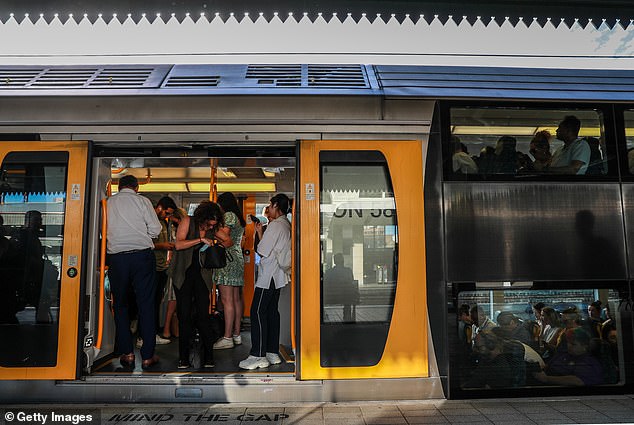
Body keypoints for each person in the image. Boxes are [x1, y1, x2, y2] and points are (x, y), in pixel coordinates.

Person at [106, 175, 162, 369]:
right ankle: (147, 356)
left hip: (117, 258)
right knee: (146, 304)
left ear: (119, 187)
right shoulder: (142, 201)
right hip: (142, 257)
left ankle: (127, 354)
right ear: (136, 187)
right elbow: (155, 229)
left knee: (120, 305)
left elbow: (101, 230)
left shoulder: (108, 203)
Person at [172, 200, 230, 369]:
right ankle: (183, 358)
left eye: (214, 222)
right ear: (202, 217)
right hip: (182, 274)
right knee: (184, 315)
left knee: (204, 316)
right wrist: (200, 240)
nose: (211, 225)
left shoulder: (213, 229)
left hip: (202, 276)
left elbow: (228, 241)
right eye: (209, 222)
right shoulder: (187, 221)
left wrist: (217, 243)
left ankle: (209, 357)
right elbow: (179, 244)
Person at [239, 194, 292, 370]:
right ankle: (271, 351)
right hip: (278, 276)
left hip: (268, 276)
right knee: (271, 312)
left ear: (276, 205)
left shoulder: (276, 225)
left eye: (270, 205)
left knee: (257, 312)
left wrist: (259, 234)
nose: (268, 208)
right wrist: (261, 231)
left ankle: (258, 355)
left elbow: (262, 250)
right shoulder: (285, 223)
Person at [136, 196, 177, 348]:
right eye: (167, 213)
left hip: (161, 266)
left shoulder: (163, 223)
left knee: (155, 303)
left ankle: (151, 334)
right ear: (159, 208)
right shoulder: (148, 222)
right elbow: (147, 244)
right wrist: (164, 246)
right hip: (150, 265)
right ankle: (143, 336)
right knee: (147, 302)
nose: (167, 216)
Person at [212, 192, 246, 350]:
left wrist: (210, 228)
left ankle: (227, 337)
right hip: (237, 258)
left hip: (227, 259)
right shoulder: (237, 217)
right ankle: (236, 334)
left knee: (227, 300)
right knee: (236, 299)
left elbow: (224, 236)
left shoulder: (229, 216)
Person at [533, 328, 604, 386]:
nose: (569, 346)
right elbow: (547, 366)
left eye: (573, 344)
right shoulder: (563, 354)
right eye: (568, 343)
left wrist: (546, 379)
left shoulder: (589, 362)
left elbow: (578, 381)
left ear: (584, 346)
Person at [162, 207, 187, 339]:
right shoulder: (181, 227)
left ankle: (171, 329)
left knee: (174, 299)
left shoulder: (174, 228)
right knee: (174, 299)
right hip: (179, 264)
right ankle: (169, 328)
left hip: (176, 264)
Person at [323, 253, 358, 322]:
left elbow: (325, 284)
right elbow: (351, 283)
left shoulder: (328, 272)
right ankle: (347, 316)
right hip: (346, 298)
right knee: (348, 297)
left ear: (335, 261)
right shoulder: (348, 271)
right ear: (343, 261)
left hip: (330, 298)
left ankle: (323, 315)